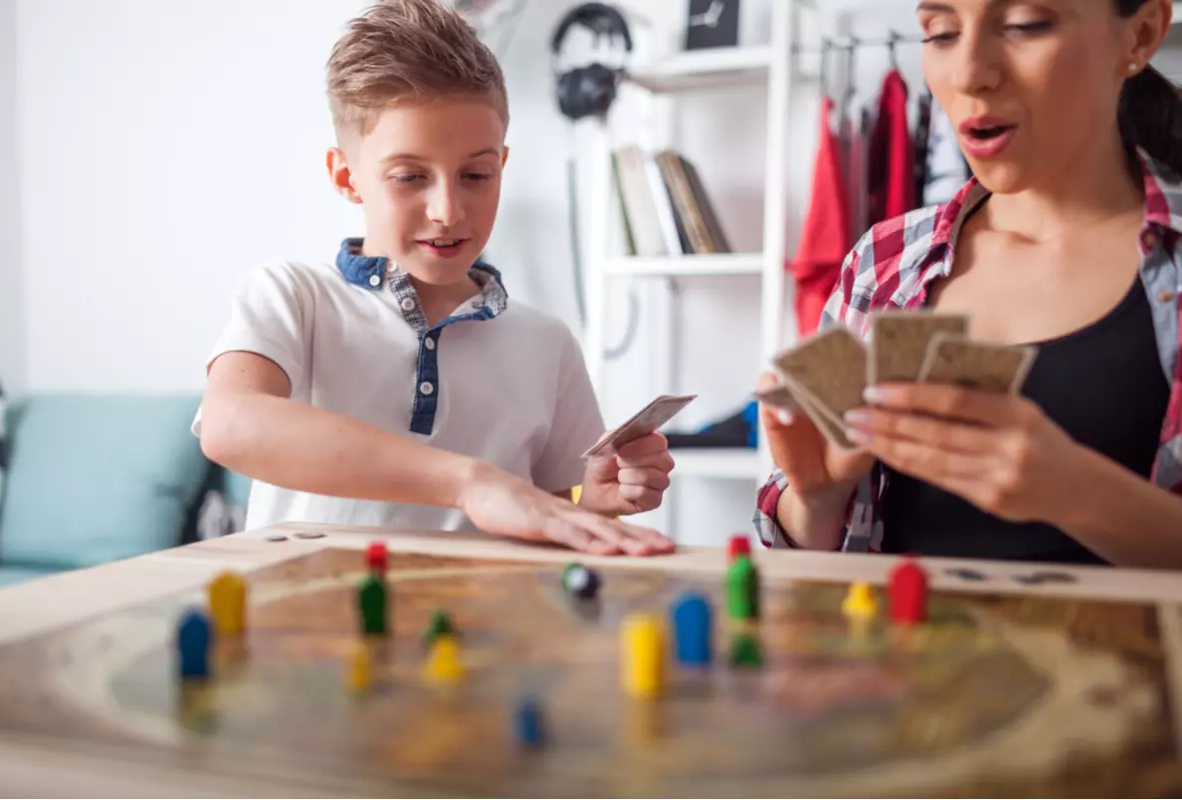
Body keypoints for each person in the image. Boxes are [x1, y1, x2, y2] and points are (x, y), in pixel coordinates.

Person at [193, 0, 675, 557]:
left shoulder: (548, 345)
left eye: (476, 174)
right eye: (410, 176)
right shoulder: (292, 298)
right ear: (347, 177)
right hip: (307, 629)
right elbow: (228, 424)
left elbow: (548, 511)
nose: (448, 209)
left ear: (502, 164)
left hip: (477, 632)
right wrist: (472, 482)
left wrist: (587, 505)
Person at [756, 0, 1182, 569]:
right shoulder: (886, 260)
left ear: (1142, 33)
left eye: (1027, 24)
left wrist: (1079, 493)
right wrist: (818, 497)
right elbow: (815, 556)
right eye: (942, 32)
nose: (968, 73)